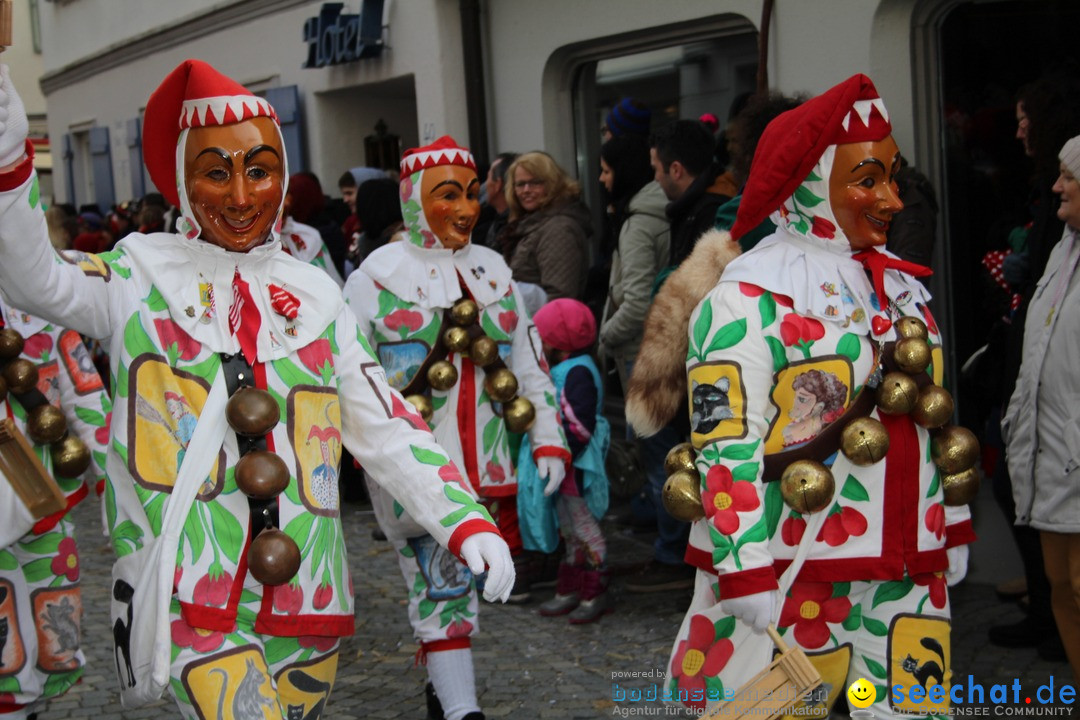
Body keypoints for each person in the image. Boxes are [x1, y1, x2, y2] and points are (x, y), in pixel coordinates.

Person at [0, 60, 514, 718]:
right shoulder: (136, 274)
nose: (242, 197)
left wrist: (463, 522)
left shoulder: (316, 295)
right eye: (217, 172)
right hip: (193, 591)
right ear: (186, 180)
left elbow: (384, 427)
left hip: (308, 595)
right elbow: (32, 279)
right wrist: (12, 157)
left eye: (260, 171)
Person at [662, 75, 974, 717]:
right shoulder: (744, 301)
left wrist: (950, 523)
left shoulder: (900, 290)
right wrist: (743, 565)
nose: (891, 198)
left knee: (909, 710)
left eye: (892, 175)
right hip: (792, 566)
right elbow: (725, 442)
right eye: (867, 178)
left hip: (905, 564)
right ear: (811, 183)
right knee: (779, 710)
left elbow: (932, 416)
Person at [343, 136, 570, 719]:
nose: (467, 208)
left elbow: (528, 363)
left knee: (471, 578)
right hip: (417, 466)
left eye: (472, 193)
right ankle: (462, 709)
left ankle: (445, 698)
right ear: (415, 199)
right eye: (448, 195)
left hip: (495, 458)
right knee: (440, 587)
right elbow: (345, 380)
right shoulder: (373, 279)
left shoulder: (495, 270)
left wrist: (547, 436)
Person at [0, 298, 109, 720]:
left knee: (52, 645)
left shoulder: (36, 299)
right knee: (6, 656)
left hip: (47, 504)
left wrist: (111, 487)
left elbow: (86, 396)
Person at [1003, 134, 1080, 683]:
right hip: (1051, 452)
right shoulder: (1062, 250)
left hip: (1074, 449)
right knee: (1062, 587)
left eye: (1068, 175)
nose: (1057, 186)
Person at [525, 298, 611, 624]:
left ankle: (595, 590)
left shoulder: (576, 373)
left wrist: (560, 456)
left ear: (557, 344)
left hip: (575, 466)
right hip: (564, 465)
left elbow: (578, 425)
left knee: (584, 527)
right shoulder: (569, 368)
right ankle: (573, 587)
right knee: (569, 528)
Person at [498, 151, 592, 312]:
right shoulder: (530, 223)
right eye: (520, 184)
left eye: (535, 183)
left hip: (545, 331)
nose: (526, 190)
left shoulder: (559, 229)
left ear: (552, 184)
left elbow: (559, 299)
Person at [649, 119, 732, 267]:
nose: (656, 178)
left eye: (656, 169)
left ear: (676, 170)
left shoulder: (709, 214)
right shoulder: (717, 203)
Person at [280, 172, 345, 286]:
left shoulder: (308, 236)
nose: (287, 202)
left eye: (287, 193)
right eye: (280, 195)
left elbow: (331, 285)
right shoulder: (249, 244)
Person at [472, 152, 517, 248]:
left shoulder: (512, 229)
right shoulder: (491, 222)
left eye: (488, 177)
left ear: (498, 184)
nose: (484, 185)